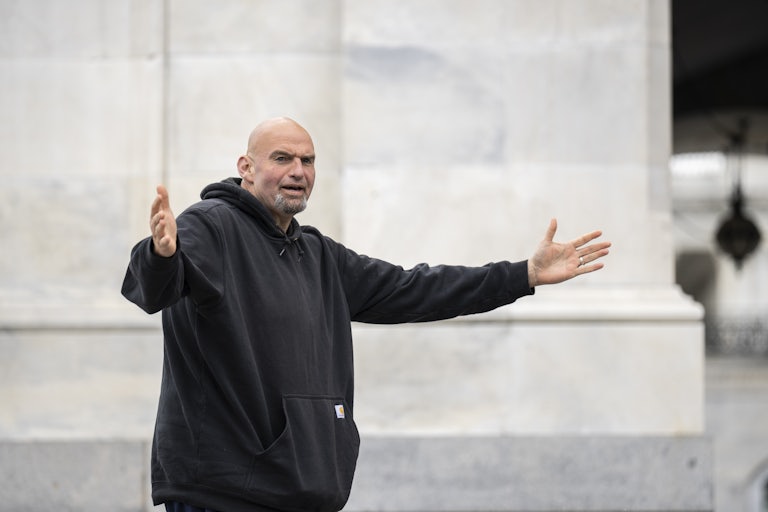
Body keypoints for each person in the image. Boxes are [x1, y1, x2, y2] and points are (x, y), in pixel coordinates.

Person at [122, 117, 610, 512]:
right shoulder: (210, 226)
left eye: (308, 160)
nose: (298, 170)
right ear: (246, 167)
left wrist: (521, 274)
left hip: (297, 487)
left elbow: (416, 288)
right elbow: (156, 287)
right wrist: (161, 254)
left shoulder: (317, 255)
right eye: (282, 158)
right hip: (221, 492)